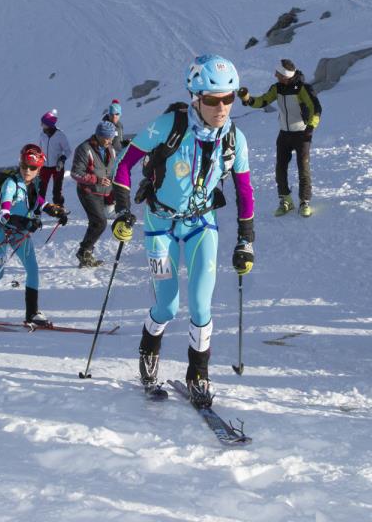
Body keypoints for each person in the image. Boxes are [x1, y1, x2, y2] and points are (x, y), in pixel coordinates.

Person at [112, 54, 255, 405]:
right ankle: (148, 353)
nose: (221, 108)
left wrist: (246, 241)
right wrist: (122, 210)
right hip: (160, 225)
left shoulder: (235, 140)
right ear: (195, 96)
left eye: (229, 98)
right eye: (212, 100)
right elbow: (125, 164)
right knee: (167, 306)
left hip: (202, 224)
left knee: (201, 306)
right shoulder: (168, 126)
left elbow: (245, 191)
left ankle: (198, 375)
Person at [0, 144, 68, 326]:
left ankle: (32, 313)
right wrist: (26, 222)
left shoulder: (35, 183)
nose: (27, 171)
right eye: (24, 166)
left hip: (19, 234)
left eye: (33, 168)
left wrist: (53, 210)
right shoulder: (10, 184)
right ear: (19, 163)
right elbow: (3, 214)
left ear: (39, 169)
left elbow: (37, 200)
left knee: (33, 269)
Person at [240, 59, 320, 217]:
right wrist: (247, 99)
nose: (275, 74)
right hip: (284, 133)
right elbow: (263, 100)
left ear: (285, 75)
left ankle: (304, 202)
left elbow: (315, 109)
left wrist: (310, 128)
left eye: (278, 73)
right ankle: (286, 200)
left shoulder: (302, 89)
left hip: (302, 134)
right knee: (280, 168)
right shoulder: (277, 88)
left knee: (303, 168)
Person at [70, 120, 118, 267]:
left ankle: (86, 253)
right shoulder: (84, 149)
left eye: (111, 138)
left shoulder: (111, 149)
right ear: (98, 135)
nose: (109, 141)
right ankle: (84, 251)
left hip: (103, 191)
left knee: (96, 222)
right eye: (106, 138)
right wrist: (96, 180)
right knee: (100, 222)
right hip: (88, 191)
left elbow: (112, 169)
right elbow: (75, 173)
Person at [36, 109, 72, 206]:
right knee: (41, 189)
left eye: (43, 123)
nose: (41, 125)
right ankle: (38, 209)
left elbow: (68, 151)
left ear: (49, 124)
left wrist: (62, 159)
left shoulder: (60, 135)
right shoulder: (42, 134)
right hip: (44, 166)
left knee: (57, 190)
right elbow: (40, 149)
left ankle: (59, 208)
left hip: (57, 167)